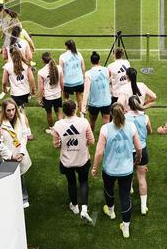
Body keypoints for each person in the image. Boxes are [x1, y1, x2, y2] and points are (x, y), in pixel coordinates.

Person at [91, 103, 143, 238]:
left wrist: (95, 167)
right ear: (123, 112)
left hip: (109, 170)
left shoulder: (105, 129)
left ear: (111, 114)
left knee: (108, 190)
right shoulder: (131, 126)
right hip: (126, 170)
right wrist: (138, 159)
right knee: (125, 196)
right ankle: (126, 228)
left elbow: (98, 152)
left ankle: (111, 211)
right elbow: (139, 148)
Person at [51, 99, 95, 223]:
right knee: (83, 182)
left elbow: (56, 144)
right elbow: (91, 141)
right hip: (82, 159)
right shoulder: (84, 122)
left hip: (67, 161)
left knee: (71, 182)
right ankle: (84, 209)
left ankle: (75, 207)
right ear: (75, 109)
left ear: (64, 111)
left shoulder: (58, 125)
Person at [0, 98, 32, 207]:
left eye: (13, 109)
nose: (11, 112)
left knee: (21, 176)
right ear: (4, 110)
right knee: (10, 176)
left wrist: (21, 152)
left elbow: (24, 136)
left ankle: (24, 197)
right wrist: (11, 155)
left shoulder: (21, 118)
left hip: (20, 153)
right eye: (8, 110)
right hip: (8, 155)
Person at [127, 94, 152, 215]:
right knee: (142, 178)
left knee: (128, 173)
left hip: (128, 151)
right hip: (142, 149)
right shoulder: (145, 117)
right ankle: (143, 207)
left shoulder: (124, 117)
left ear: (129, 105)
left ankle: (130, 188)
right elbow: (150, 131)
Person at [83, 51, 113, 133]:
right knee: (106, 122)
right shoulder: (107, 70)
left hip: (94, 103)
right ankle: (107, 139)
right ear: (99, 60)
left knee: (92, 121)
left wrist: (83, 106)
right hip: (106, 101)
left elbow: (86, 92)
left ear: (91, 61)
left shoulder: (88, 74)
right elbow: (109, 80)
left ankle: (90, 137)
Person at [38, 51, 64, 131]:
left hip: (48, 97)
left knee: (49, 113)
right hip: (57, 95)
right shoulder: (59, 68)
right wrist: (62, 91)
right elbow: (61, 82)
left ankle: (52, 129)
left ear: (43, 60)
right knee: (58, 111)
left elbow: (41, 88)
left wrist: (40, 99)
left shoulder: (41, 72)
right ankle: (62, 128)